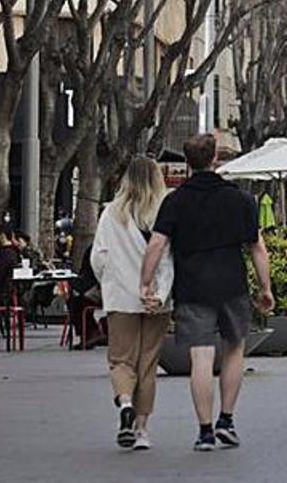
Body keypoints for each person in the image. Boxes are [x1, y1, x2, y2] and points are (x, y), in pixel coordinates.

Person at [141, 134, 274, 452]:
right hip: (232, 284)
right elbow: (257, 247)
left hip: (192, 287)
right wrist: (265, 287)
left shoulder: (175, 200)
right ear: (215, 157)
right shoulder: (240, 199)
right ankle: (226, 420)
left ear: (188, 162)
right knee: (234, 350)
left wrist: (145, 282)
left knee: (200, 356)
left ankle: (204, 430)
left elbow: (157, 243)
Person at [92, 157, 175, 450]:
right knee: (148, 363)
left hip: (121, 298)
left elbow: (98, 258)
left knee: (121, 360)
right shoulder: (163, 212)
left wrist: (111, 281)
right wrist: (161, 293)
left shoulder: (110, 214)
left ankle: (125, 402)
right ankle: (141, 429)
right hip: (155, 300)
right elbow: (168, 259)